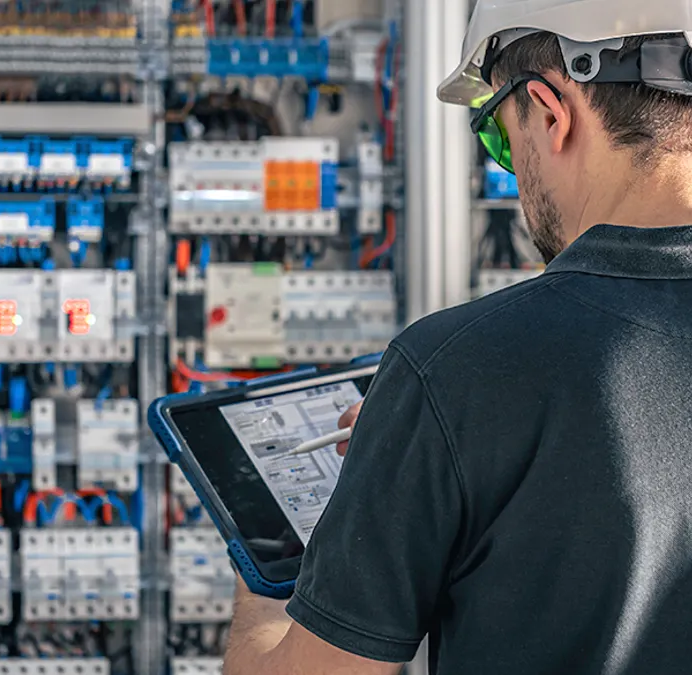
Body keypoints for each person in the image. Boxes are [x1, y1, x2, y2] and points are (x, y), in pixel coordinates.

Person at [223, 3, 692, 674]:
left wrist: (268, 564)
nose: (512, 174)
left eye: (501, 143)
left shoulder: (456, 370)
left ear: (551, 111)